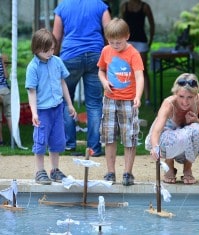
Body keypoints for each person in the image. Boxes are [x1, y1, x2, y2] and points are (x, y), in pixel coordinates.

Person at [52, 0, 111, 156]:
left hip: (70, 56)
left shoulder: (62, 7)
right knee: (94, 103)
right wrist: (108, 53)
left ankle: (69, 143)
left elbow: (56, 37)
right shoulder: (100, 5)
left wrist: (52, 58)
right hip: (95, 56)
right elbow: (110, 31)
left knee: (65, 99)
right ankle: (94, 148)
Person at [25, 29, 77, 185]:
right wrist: (34, 113)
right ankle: (39, 171)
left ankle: (54, 170)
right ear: (36, 48)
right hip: (42, 111)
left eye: (52, 49)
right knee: (40, 141)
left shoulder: (57, 61)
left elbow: (63, 83)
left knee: (57, 140)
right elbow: (32, 92)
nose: (49, 53)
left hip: (57, 108)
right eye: (45, 50)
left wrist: (69, 104)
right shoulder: (32, 67)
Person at [97, 18, 144, 186]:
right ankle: (110, 172)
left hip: (128, 100)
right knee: (109, 136)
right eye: (111, 42)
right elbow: (101, 71)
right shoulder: (106, 51)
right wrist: (104, 82)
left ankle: (127, 173)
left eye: (119, 42)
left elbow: (139, 76)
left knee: (130, 136)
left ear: (127, 36)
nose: (115, 45)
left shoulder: (133, 53)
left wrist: (138, 96)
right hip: (110, 99)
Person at [145, 73, 199, 185]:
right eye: (181, 96)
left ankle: (187, 168)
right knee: (175, 136)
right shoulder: (168, 103)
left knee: (198, 130)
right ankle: (169, 166)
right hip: (166, 139)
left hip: (185, 140)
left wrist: (196, 121)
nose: (185, 102)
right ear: (175, 93)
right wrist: (155, 147)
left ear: (196, 95)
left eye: (190, 97)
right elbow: (157, 130)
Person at [120, 0, 155, 105]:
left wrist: (151, 40)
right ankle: (127, 96)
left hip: (141, 41)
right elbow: (120, 25)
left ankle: (147, 98)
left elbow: (152, 24)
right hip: (127, 41)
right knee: (126, 70)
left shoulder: (145, 7)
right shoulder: (124, 6)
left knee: (142, 69)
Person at [0, 53, 12, 146]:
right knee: (10, 116)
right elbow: (6, 76)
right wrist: (4, 65)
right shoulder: (3, 56)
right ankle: (14, 139)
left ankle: (1, 141)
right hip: (5, 90)